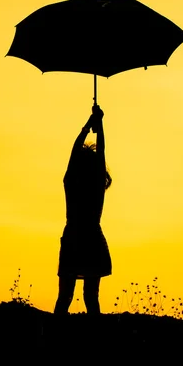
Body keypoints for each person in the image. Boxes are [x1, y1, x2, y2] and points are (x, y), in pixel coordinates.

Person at [54, 104, 112, 315]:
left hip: (73, 239)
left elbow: (74, 153)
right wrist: (100, 124)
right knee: (91, 299)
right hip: (92, 240)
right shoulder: (97, 184)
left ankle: (54, 335)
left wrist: (88, 126)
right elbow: (102, 152)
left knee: (64, 297)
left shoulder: (71, 182)